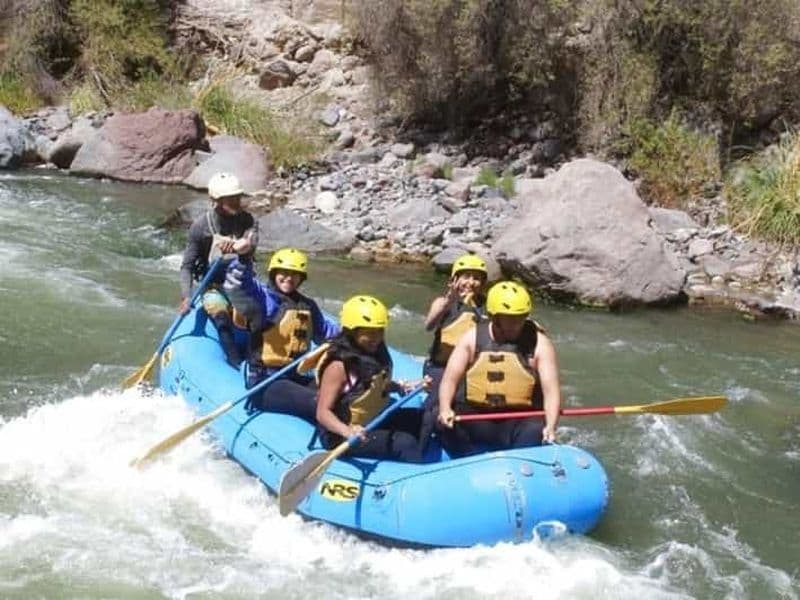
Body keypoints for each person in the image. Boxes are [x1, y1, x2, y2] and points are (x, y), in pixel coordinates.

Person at [437, 280, 561, 457]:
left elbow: (551, 392)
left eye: (521, 317)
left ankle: (519, 464)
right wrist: (444, 408)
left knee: (534, 430)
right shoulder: (472, 338)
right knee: (440, 421)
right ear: (494, 317)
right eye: (510, 319)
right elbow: (449, 380)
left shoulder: (540, 344)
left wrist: (551, 426)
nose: (517, 323)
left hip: (518, 420)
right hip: (477, 416)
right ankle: (467, 461)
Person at [224, 247, 340, 421]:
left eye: (294, 274)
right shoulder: (263, 300)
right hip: (265, 381)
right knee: (319, 401)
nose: (289, 278)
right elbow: (239, 285)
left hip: (295, 376)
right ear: (273, 273)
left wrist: (354, 331)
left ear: (301, 278)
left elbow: (325, 333)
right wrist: (243, 258)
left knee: (338, 396)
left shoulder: (307, 306)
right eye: (283, 273)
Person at [315, 295, 425, 463]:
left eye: (380, 331)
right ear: (352, 332)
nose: (377, 338)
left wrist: (401, 386)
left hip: (372, 420)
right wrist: (347, 431)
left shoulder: (375, 353)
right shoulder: (339, 366)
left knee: (425, 418)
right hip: (342, 435)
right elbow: (323, 413)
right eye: (369, 333)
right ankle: (414, 476)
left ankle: (420, 460)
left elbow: (373, 387)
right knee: (405, 443)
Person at [179, 172, 258, 366]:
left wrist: (237, 245)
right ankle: (236, 364)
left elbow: (250, 243)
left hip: (241, 282)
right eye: (230, 199)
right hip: (213, 285)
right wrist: (186, 297)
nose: (236, 202)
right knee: (221, 320)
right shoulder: (200, 227)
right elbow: (186, 266)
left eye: (237, 197)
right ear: (216, 200)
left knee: (259, 319)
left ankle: (258, 362)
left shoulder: (248, 220)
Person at [419, 254, 489, 453]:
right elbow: (429, 325)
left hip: (471, 369)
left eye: (476, 278)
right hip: (440, 368)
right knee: (436, 407)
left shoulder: (487, 307)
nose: (471, 282)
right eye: (465, 276)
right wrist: (450, 301)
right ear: (454, 279)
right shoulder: (443, 302)